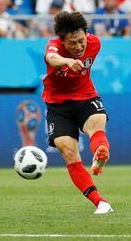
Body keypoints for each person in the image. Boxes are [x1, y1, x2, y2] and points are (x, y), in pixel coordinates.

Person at [42, 11, 113, 214]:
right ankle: (100, 202)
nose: (79, 47)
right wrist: (67, 61)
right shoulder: (53, 46)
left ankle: (100, 153)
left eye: (81, 41)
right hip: (57, 105)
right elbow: (51, 57)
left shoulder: (95, 43)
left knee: (98, 122)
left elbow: (85, 46)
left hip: (86, 96)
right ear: (62, 41)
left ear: (86, 35)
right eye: (72, 43)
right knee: (68, 152)